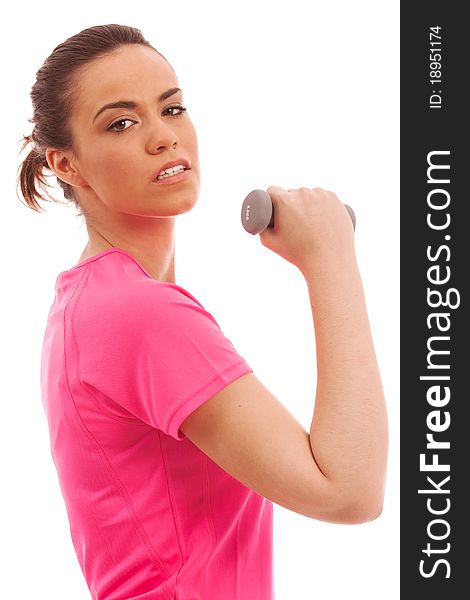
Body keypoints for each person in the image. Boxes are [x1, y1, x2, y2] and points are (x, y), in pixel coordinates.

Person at [17, 23, 388, 600]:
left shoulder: (93, 305)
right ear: (67, 165)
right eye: (122, 122)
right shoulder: (135, 313)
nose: (164, 137)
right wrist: (331, 261)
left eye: (173, 108)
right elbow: (348, 493)